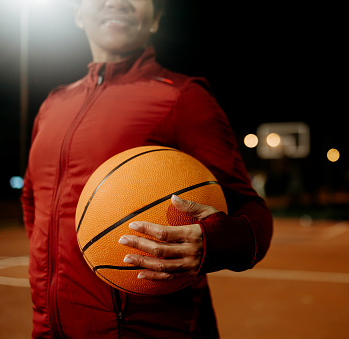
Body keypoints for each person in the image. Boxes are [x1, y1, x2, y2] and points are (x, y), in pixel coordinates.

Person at [20, 0, 273, 337]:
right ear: (79, 14)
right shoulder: (53, 104)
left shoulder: (183, 97)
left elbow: (251, 211)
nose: (117, 1)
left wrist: (215, 241)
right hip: (51, 328)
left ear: (155, 19)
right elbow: (31, 201)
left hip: (147, 329)